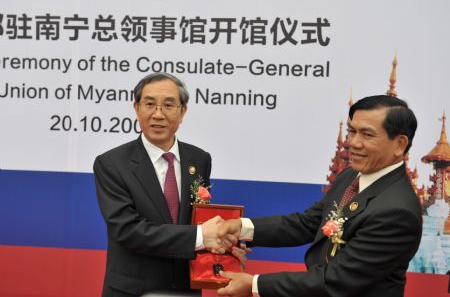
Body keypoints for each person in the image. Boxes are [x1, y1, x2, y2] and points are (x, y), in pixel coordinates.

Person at [216, 95, 423, 297]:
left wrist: (254, 284)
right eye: (351, 131)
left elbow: (337, 280)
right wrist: (242, 228)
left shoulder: (397, 212)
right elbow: (308, 224)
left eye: (367, 135)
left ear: (400, 144)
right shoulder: (351, 175)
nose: (353, 142)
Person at [94, 72, 229, 296]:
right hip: (133, 291)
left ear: (183, 111)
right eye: (149, 104)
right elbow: (128, 231)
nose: (158, 114)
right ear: (136, 108)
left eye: (168, 105)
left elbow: (199, 220)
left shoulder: (199, 159)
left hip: (186, 289)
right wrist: (200, 236)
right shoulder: (111, 164)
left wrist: (227, 245)